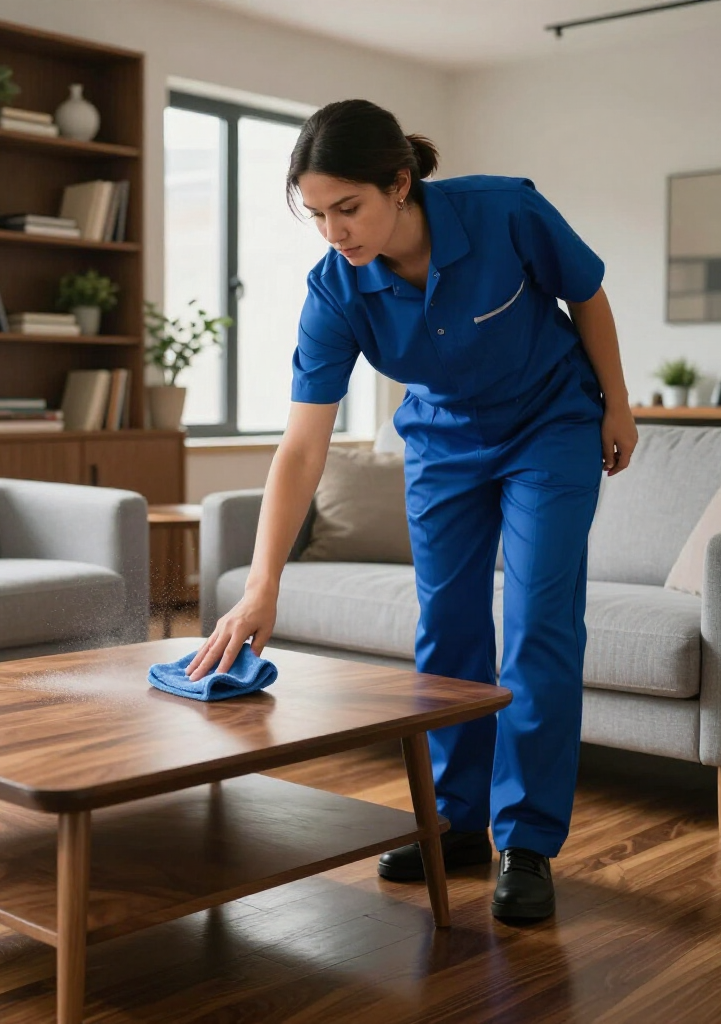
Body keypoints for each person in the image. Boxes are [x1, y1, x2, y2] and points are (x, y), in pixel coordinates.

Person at [185, 99, 639, 922]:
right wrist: (262, 584)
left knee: (539, 621)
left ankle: (528, 840)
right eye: (317, 214)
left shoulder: (505, 211)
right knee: (448, 632)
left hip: (551, 429)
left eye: (348, 208)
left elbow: (589, 295)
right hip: (442, 446)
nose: (335, 232)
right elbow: (301, 448)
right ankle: (456, 823)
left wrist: (618, 405)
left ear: (401, 185)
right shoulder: (336, 289)